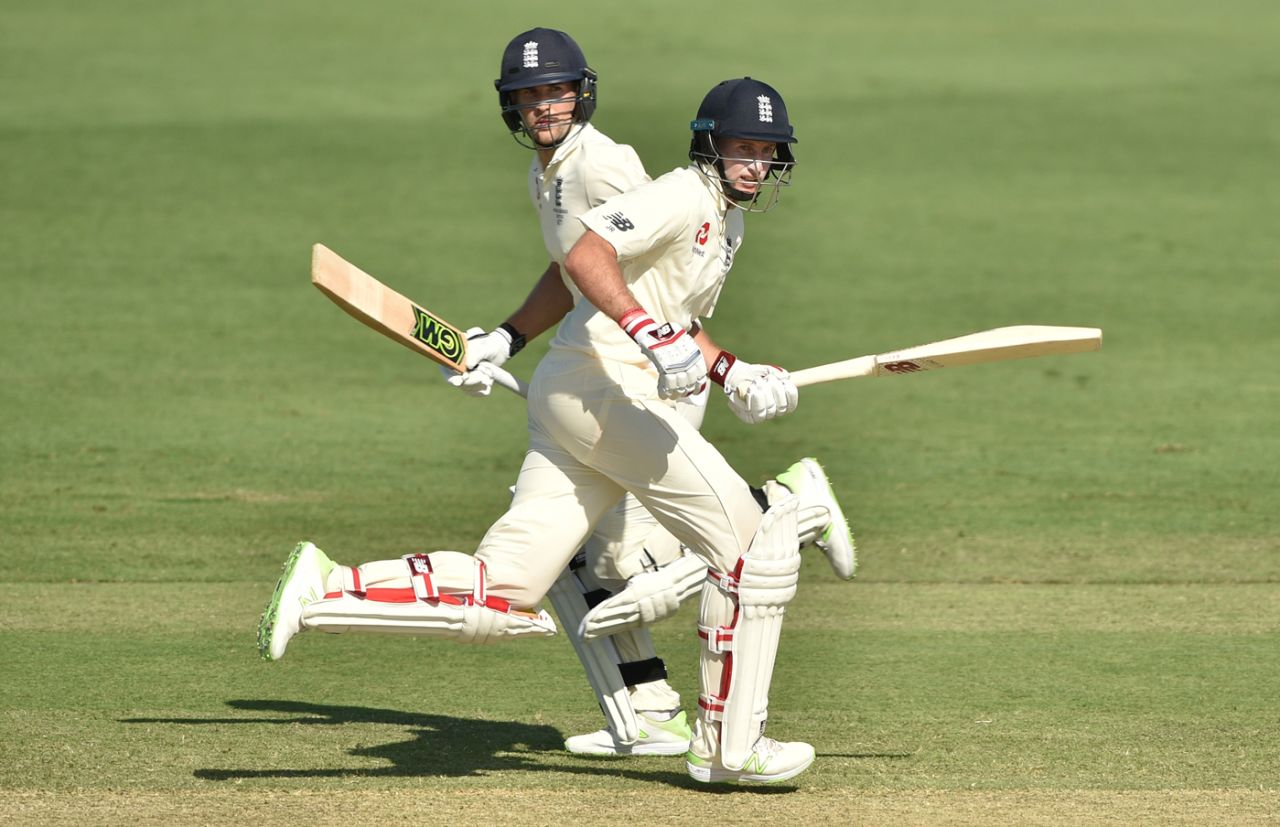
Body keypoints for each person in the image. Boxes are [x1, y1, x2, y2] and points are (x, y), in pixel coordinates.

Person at [259, 49, 834, 783]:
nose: (754, 164)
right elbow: (591, 257)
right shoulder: (682, 196)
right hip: (610, 391)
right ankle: (729, 748)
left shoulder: (725, 223)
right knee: (754, 551)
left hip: (574, 392)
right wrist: (644, 337)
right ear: (708, 146)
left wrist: (735, 372)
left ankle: (325, 588)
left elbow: (671, 314)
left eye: (765, 152)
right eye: (741, 149)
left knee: (509, 586)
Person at [437, 29, 855, 757]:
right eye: (529, 95)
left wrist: (714, 366)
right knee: (598, 564)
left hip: (640, 383)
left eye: (555, 91)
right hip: (616, 374)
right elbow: (579, 269)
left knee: (711, 551)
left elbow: (621, 272)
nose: (542, 106)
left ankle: (782, 507)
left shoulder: (614, 172)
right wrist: (508, 335)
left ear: (583, 92)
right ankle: (655, 712)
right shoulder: (554, 171)